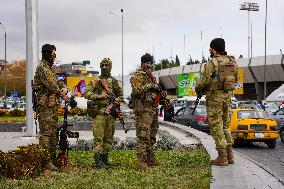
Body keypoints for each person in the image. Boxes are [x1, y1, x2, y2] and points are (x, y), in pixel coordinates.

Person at [195, 38, 238, 166]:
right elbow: (235, 79)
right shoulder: (232, 62)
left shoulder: (212, 63)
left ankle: (222, 156)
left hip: (214, 99)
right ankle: (230, 155)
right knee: (225, 125)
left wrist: (198, 90)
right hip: (227, 97)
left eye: (210, 48)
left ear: (214, 49)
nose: (209, 50)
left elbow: (202, 82)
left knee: (216, 125)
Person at [33, 44, 68, 170]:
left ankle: (52, 160)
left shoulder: (49, 69)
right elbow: (52, 85)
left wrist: (64, 87)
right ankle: (45, 162)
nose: (55, 57)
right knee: (46, 134)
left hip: (51, 106)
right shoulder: (42, 68)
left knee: (53, 133)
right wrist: (61, 91)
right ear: (48, 54)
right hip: (45, 107)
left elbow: (58, 82)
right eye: (53, 54)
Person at [84, 58, 122, 168]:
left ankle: (105, 160)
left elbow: (120, 95)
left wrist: (116, 100)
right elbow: (86, 93)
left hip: (110, 114)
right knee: (98, 137)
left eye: (107, 65)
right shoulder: (95, 81)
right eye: (103, 65)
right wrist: (99, 96)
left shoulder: (114, 82)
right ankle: (98, 161)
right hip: (99, 114)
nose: (104, 67)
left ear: (110, 67)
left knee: (108, 138)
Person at [130, 53, 166, 171]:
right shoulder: (138, 76)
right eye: (147, 63)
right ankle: (141, 161)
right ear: (142, 64)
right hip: (143, 111)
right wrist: (151, 85)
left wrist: (161, 95)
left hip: (153, 110)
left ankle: (150, 158)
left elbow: (153, 94)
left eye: (151, 63)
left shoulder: (152, 77)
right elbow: (136, 91)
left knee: (152, 135)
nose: (149, 65)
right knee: (143, 136)